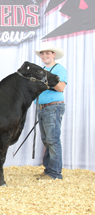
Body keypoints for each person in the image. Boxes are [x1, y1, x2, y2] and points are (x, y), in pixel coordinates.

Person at [34, 42, 67, 180]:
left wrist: (45, 80)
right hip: (43, 108)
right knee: (47, 140)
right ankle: (49, 170)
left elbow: (61, 88)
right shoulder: (41, 70)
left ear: (54, 55)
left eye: (48, 53)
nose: (44, 55)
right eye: (42, 53)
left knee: (52, 140)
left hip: (53, 107)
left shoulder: (59, 69)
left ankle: (54, 173)